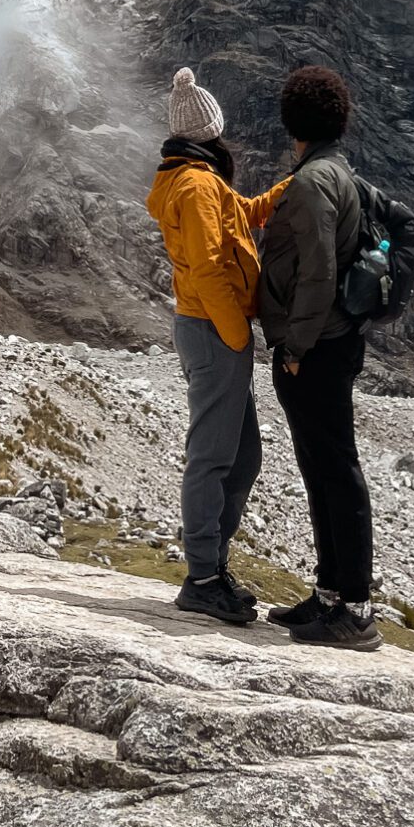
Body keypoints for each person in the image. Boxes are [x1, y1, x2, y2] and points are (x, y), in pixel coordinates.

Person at [146, 66, 288, 626]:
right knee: (212, 457)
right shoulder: (198, 184)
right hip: (213, 330)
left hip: (208, 329)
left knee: (242, 454)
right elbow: (208, 267)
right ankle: (203, 578)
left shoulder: (194, 180)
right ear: (210, 128)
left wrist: (283, 192)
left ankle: (212, 568)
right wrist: (236, 335)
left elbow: (239, 217)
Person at [258, 64, 380, 651]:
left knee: (333, 466)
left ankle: (353, 610)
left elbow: (317, 275)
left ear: (293, 121)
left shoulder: (310, 183)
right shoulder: (340, 173)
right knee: (321, 464)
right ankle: (330, 594)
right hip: (336, 341)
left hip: (317, 347)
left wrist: (297, 347)